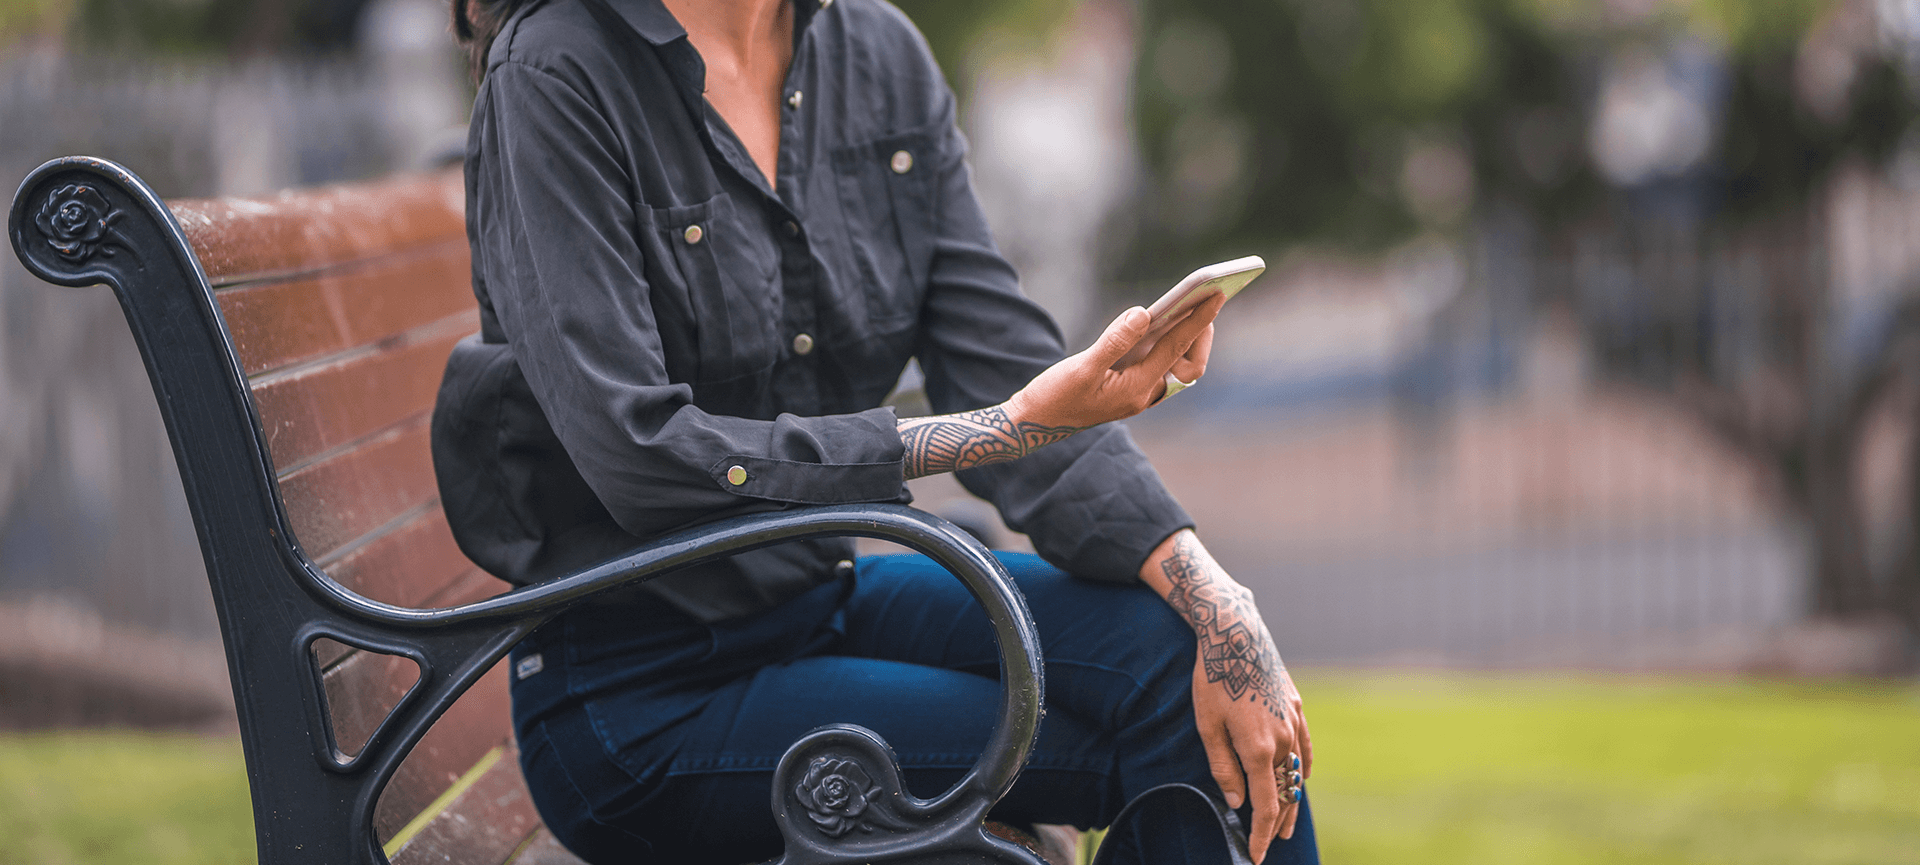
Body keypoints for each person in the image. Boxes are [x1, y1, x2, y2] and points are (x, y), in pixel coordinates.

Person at [435, 0, 1318, 862]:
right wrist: (992, 431)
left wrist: (1214, 594)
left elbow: (1000, 359)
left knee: (1191, 655)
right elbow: (636, 453)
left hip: (815, 603)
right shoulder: (554, 72)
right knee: (1198, 748)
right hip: (640, 698)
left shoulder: (874, 51)